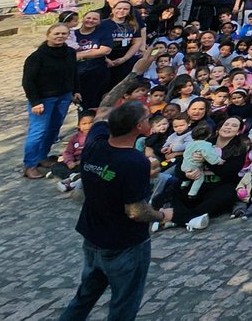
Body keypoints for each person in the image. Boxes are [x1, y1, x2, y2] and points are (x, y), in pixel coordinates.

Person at [58, 52, 168, 321]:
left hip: (93, 236)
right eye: (145, 118)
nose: (148, 120)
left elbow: (105, 103)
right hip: (125, 244)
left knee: (85, 295)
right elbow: (135, 211)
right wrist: (162, 216)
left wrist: (134, 74)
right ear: (139, 127)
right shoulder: (133, 161)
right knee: (123, 303)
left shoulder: (96, 140)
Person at [23, 22, 79, 179]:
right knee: (38, 131)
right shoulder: (37, 57)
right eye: (57, 34)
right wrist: (35, 102)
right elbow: (28, 81)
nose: (60, 36)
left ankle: (42, 156)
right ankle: (30, 165)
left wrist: (75, 90)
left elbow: (73, 73)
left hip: (64, 96)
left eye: (63, 34)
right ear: (48, 35)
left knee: (54, 128)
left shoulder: (69, 52)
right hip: (43, 99)